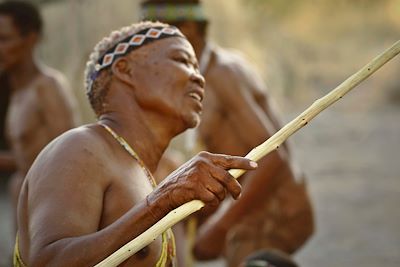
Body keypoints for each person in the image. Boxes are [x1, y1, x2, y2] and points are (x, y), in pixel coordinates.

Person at [14, 20, 259, 267]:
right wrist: (162, 200)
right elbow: (48, 262)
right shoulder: (80, 148)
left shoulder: (144, 171)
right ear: (125, 69)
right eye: (182, 60)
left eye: (197, 67)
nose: (199, 78)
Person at [140, 1, 314, 266]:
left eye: (155, 40)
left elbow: (272, 158)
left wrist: (221, 226)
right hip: (252, 203)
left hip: (274, 209)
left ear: (188, 29)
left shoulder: (223, 74)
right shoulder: (205, 70)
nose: (150, 51)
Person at [0, 0, 79, 237]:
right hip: (23, 205)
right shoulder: (17, 92)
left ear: (30, 39)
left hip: (49, 214)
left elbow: (68, 156)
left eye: (4, 39)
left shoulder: (47, 88)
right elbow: (24, 157)